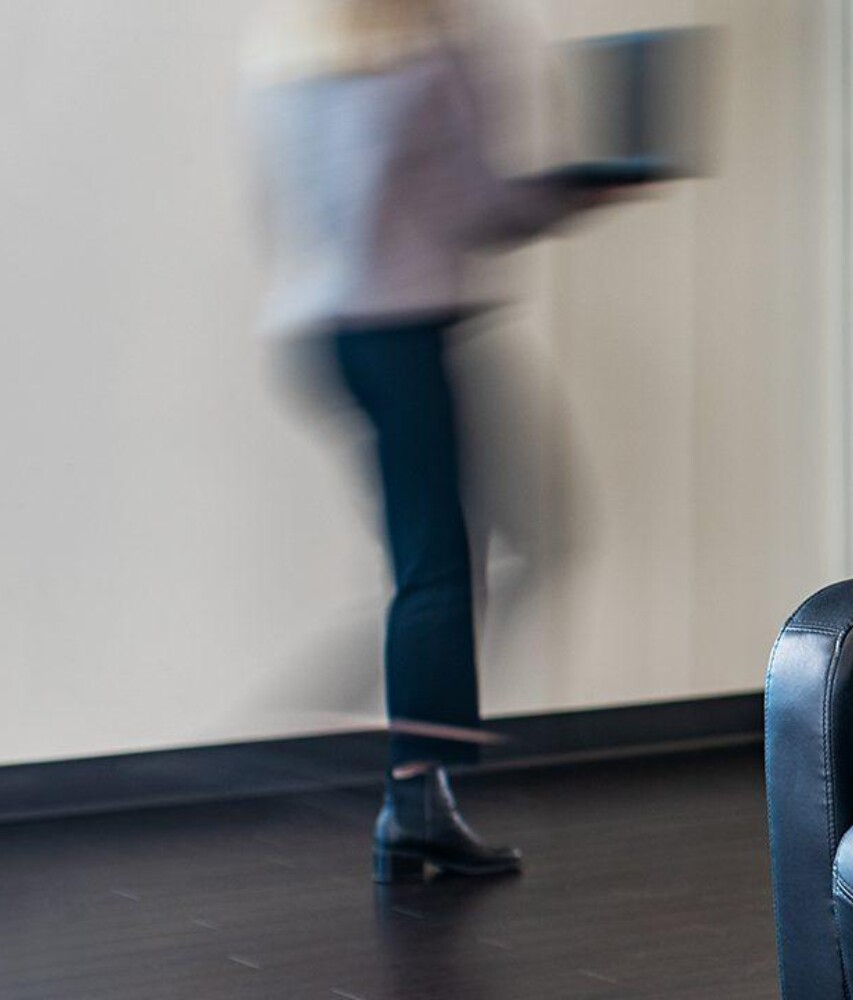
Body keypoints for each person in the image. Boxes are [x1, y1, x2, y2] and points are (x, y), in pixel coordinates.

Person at [244, 0, 626, 883]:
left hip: (325, 334)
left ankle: (408, 782)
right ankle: (408, 794)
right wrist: (585, 188)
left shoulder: (290, 57)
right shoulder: (437, 51)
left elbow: (294, 208)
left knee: (437, 563)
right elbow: (482, 206)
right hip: (405, 331)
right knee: (444, 569)